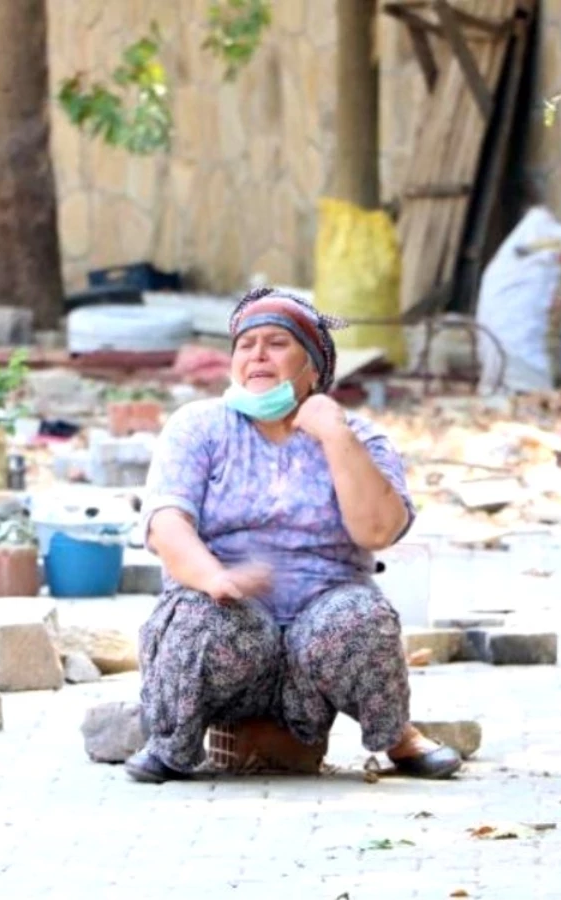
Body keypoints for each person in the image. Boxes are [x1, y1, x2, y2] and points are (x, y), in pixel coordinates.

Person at [125, 286, 463, 784]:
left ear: (314, 367)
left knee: (363, 617)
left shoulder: (359, 437)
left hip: (322, 627)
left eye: (277, 343)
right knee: (197, 616)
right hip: (232, 626)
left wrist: (335, 437)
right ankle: (172, 743)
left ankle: (397, 736)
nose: (258, 355)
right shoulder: (200, 427)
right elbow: (165, 524)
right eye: (247, 344)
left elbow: (378, 531)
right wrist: (215, 578)